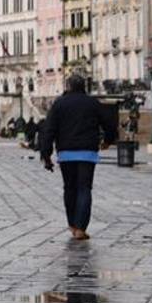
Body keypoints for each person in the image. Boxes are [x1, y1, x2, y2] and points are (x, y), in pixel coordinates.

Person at [38, 75, 117, 240]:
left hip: (66, 153)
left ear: (68, 86)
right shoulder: (92, 103)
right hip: (88, 153)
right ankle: (81, 228)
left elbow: (49, 129)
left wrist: (46, 154)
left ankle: (72, 224)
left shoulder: (59, 104)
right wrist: (108, 141)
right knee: (84, 188)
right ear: (84, 86)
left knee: (70, 188)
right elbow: (109, 123)